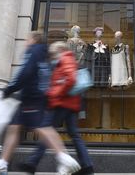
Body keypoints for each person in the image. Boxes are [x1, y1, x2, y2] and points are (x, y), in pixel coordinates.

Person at [0, 32, 80, 175]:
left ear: (34, 39)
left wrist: (8, 90)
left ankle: (65, 158)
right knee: (14, 127)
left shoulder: (34, 50)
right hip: (32, 96)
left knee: (41, 127)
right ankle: (3, 163)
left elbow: (25, 72)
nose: (25, 42)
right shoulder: (44, 55)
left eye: (27, 39)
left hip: (32, 96)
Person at [20, 41, 94, 175]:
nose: (52, 57)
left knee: (45, 130)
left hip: (61, 103)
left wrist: (55, 92)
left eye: (53, 54)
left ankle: (32, 162)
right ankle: (87, 166)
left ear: (60, 50)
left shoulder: (65, 59)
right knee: (72, 135)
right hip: (70, 104)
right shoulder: (67, 60)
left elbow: (71, 80)